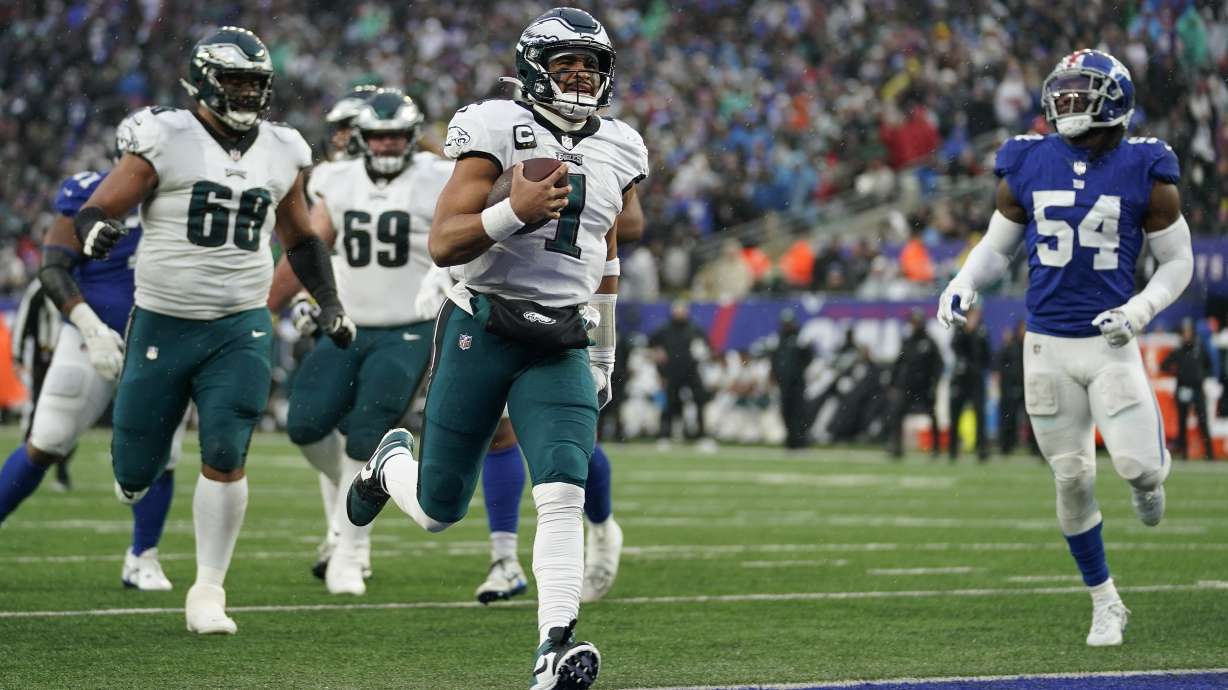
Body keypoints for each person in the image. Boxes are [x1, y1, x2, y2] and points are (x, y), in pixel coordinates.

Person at [345, 9, 646, 688]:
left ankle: (553, 648)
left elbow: (607, 253)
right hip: (482, 325)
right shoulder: (494, 125)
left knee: (562, 489)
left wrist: (604, 354)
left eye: (591, 65)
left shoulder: (622, 145)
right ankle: (390, 466)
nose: (581, 76)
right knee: (439, 509)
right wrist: (516, 210)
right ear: (535, 69)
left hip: (560, 337)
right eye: (566, 63)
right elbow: (444, 242)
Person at [76, 27, 355, 634]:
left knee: (227, 450)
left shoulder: (282, 148)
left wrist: (330, 301)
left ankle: (208, 590)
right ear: (204, 82)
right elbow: (98, 207)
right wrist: (95, 229)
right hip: (164, 320)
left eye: (255, 83)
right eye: (234, 80)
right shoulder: (166, 136)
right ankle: (137, 480)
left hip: (240, 323)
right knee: (133, 472)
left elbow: (301, 239)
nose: (246, 93)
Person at [938, 49, 1189, 647]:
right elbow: (998, 247)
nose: (1068, 101)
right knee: (1071, 477)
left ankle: (1150, 481)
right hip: (1046, 346)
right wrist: (964, 281)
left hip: (1108, 342)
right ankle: (1106, 602)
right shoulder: (1027, 160)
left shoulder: (1146, 166)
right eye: (1064, 90)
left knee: (1139, 468)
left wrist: (1138, 310)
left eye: (1083, 91)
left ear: (1114, 98)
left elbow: (1177, 262)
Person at [267, 89, 449, 595]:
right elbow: (312, 245)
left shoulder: (438, 176)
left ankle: (348, 550)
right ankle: (370, 481)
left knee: (367, 430)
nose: (387, 144)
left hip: (410, 326)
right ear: (362, 139)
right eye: (378, 136)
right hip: (349, 324)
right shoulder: (338, 179)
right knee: (304, 423)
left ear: (413, 137)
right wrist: (303, 298)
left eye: (397, 135)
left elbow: (462, 232)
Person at [0, 166, 185, 590]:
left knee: (163, 454)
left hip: (164, 338)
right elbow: (53, 267)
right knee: (47, 440)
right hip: (89, 337)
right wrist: (90, 327)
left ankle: (143, 556)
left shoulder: (188, 186)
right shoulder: (91, 191)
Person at [471, 210, 645, 607]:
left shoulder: (610, 165)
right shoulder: (484, 165)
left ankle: (601, 527)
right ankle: (504, 558)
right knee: (498, 428)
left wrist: (554, 212)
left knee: (568, 433)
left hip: (565, 301)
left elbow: (629, 224)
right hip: (494, 295)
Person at [650, 301, 712, 446]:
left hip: (691, 370)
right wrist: (657, 352)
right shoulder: (664, 329)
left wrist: (702, 354)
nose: (679, 314)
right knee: (670, 403)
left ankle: (702, 435)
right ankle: (665, 435)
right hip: (671, 371)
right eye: (677, 311)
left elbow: (706, 346)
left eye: (682, 310)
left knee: (699, 400)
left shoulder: (695, 329)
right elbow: (651, 344)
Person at [886, 309, 943, 457]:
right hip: (908, 385)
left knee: (932, 415)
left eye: (916, 322)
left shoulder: (929, 342)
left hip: (925, 385)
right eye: (913, 322)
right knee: (897, 413)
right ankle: (896, 447)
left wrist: (934, 383)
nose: (914, 325)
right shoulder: (908, 342)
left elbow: (938, 365)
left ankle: (936, 448)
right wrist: (893, 382)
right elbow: (899, 363)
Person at [1161, 319, 1213, 460]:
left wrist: (1201, 376)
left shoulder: (1199, 350)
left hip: (1197, 389)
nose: (1186, 335)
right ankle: (1184, 453)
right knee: (1182, 421)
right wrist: (1177, 373)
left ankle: (1209, 454)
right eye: (1184, 332)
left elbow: (1209, 366)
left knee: (1202, 421)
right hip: (1183, 388)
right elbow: (1164, 366)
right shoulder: (1178, 351)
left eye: (1188, 332)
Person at [948, 306, 992, 461]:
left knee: (980, 414)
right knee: (955, 414)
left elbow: (986, 354)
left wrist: (973, 334)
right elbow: (954, 346)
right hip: (960, 378)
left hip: (976, 379)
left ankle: (982, 450)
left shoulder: (982, 330)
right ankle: (953, 449)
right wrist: (967, 332)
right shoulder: (960, 328)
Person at [770, 309, 814, 449]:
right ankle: (790, 440)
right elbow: (774, 360)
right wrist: (776, 375)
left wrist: (797, 372)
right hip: (783, 383)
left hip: (797, 383)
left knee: (798, 412)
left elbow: (808, 358)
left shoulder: (801, 338)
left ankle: (800, 441)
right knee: (786, 412)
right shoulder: (778, 339)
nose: (786, 326)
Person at [996, 320, 1028, 455]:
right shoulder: (1011, 346)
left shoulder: (1029, 346)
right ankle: (1006, 446)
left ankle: (1034, 448)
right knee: (1009, 417)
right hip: (1011, 387)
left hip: (1027, 387)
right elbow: (1000, 365)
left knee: (1031, 418)